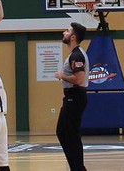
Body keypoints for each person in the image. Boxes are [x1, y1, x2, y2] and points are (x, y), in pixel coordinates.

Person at [53, 22, 89, 171]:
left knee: (68, 133)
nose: (64, 32)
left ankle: (78, 168)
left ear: (73, 37)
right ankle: (77, 167)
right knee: (64, 132)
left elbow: (79, 79)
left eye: (67, 31)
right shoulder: (75, 54)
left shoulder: (77, 55)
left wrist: (62, 75)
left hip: (75, 96)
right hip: (72, 96)